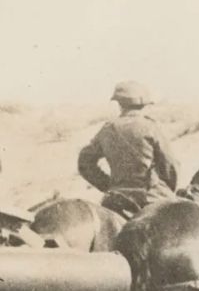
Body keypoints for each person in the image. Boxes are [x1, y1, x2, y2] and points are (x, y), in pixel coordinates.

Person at [77, 81, 180, 218]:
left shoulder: (107, 129)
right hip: (151, 198)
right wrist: (168, 189)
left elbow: (84, 162)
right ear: (144, 104)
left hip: (116, 199)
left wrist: (107, 185)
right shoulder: (150, 127)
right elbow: (170, 164)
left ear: (119, 103)